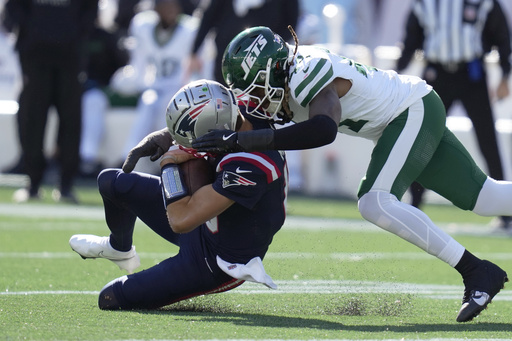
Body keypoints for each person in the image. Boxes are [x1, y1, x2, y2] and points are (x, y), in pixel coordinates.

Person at [182, 26, 509, 323]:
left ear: (272, 70)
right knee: (486, 197)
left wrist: (241, 140)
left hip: (411, 110)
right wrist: (171, 138)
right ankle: (478, 270)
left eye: (253, 89)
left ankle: (476, 271)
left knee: (374, 202)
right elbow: (234, 122)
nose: (251, 100)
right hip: (404, 116)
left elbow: (324, 129)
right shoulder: (283, 79)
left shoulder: (306, 70)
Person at [69, 79, 287, 310]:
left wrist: (169, 164)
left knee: (110, 298)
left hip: (217, 258)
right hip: (206, 220)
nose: (189, 145)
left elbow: (180, 220)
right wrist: (164, 136)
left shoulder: (251, 165)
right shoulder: (239, 111)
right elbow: (205, 118)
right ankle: (119, 248)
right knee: (111, 182)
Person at [395, 0, 512, 229]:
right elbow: (411, 38)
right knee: (424, 138)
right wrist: (395, 72)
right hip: (437, 73)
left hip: (472, 74)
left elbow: (501, 34)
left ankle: (506, 213)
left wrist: (505, 74)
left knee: (488, 141)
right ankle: (414, 205)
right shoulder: (425, 3)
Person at [4, 0, 98, 203]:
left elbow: (90, 9)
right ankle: (33, 182)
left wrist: (75, 33)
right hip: (35, 54)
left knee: (71, 119)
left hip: (69, 55)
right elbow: (13, 7)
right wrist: (30, 30)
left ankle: (66, 184)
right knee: (32, 119)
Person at [114, 0, 211, 169]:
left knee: (164, 110)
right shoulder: (142, 24)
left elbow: (202, 66)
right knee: (148, 102)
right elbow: (139, 65)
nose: (169, 9)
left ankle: (166, 161)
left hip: (179, 88)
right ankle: (128, 156)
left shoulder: (191, 29)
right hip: (153, 86)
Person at [186, 0, 299, 84]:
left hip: (266, 63)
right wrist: (194, 51)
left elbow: (291, 25)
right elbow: (208, 18)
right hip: (227, 60)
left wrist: (272, 45)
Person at [79, 20, 130, 178]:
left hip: (101, 89)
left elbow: (121, 64)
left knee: (93, 100)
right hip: (73, 89)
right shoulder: (69, 33)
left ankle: (88, 158)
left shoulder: (106, 36)